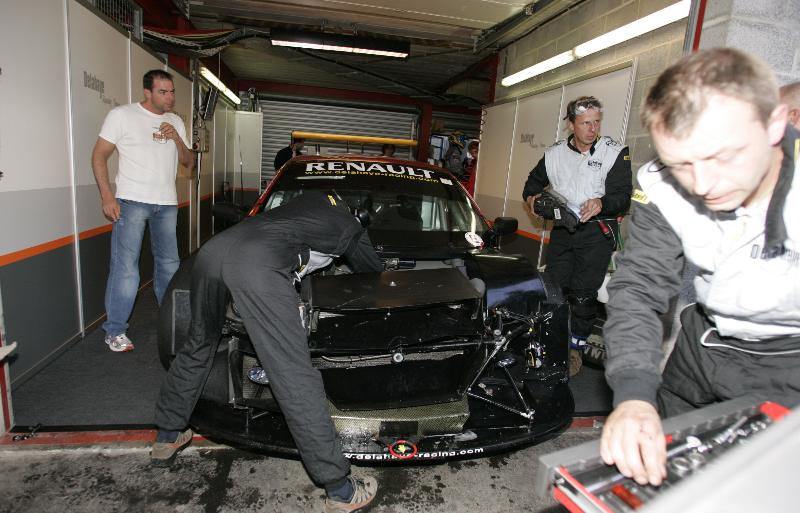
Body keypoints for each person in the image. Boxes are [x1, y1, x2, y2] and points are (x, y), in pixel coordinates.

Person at [600, 48, 800, 487]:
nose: (704, 185)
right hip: (703, 345)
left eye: (722, 157)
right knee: (665, 477)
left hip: (790, 360)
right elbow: (639, 287)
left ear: (774, 124)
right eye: (682, 165)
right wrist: (634, 394)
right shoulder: (661, 185)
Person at [151, 190, 381, 512]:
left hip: (212, 251)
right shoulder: (349, 225)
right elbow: (372, 272)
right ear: (358, 215)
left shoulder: (306, 202)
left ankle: (167, 435)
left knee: (200, 342)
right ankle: (340, 489)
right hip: (256, 264)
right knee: (293, 375)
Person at [522, 96, 632, 376]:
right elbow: (531, 185)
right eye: (585, 123)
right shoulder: (554, 154)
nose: (592, 129)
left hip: (597, 232)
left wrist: (602, 203)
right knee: (554, 290)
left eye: (596, 122)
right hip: (563, 230)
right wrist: (534, 200)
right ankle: (549, 342)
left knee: (583, 295)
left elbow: (623, 197)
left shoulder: (614, 152)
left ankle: (575, 351)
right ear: (571, 124)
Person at [91, 69, 194, 353]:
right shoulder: (122, 115)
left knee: (169, 265)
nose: (170, 97)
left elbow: (189, 163)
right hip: (131, 201)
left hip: (167, 203)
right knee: (126, 269)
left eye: (172, 91)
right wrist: (107, 196)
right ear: (147, 92)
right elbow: (98, 155)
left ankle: (172, 321)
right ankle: (114, 331)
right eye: (163, 92)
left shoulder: (175, 121)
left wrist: (177, 139)